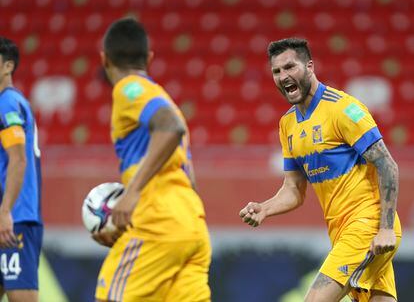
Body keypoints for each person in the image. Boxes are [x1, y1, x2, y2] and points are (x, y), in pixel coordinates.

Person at [239, 38, 401, 302]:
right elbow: (293, 189)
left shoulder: (343, 109)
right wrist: (264, 208)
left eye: (290, 67)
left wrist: (385, 228)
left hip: (368, 226)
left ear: (310, 66)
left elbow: (387, 164)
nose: (283, 76)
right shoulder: (287, 125)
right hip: (341, 232)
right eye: (277, 71)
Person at [92, 18, 211, 302]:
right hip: (192, 224)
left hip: (157, 221)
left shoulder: (129, 88)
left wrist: (131, 193)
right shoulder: (164, 99)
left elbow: (171, 127)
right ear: (149, 58)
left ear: (104, 59)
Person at [0, 37, 43, 302]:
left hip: (16, 218)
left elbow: (18, 160)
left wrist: (5, 212)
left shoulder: (7, 104)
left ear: (7, 66)